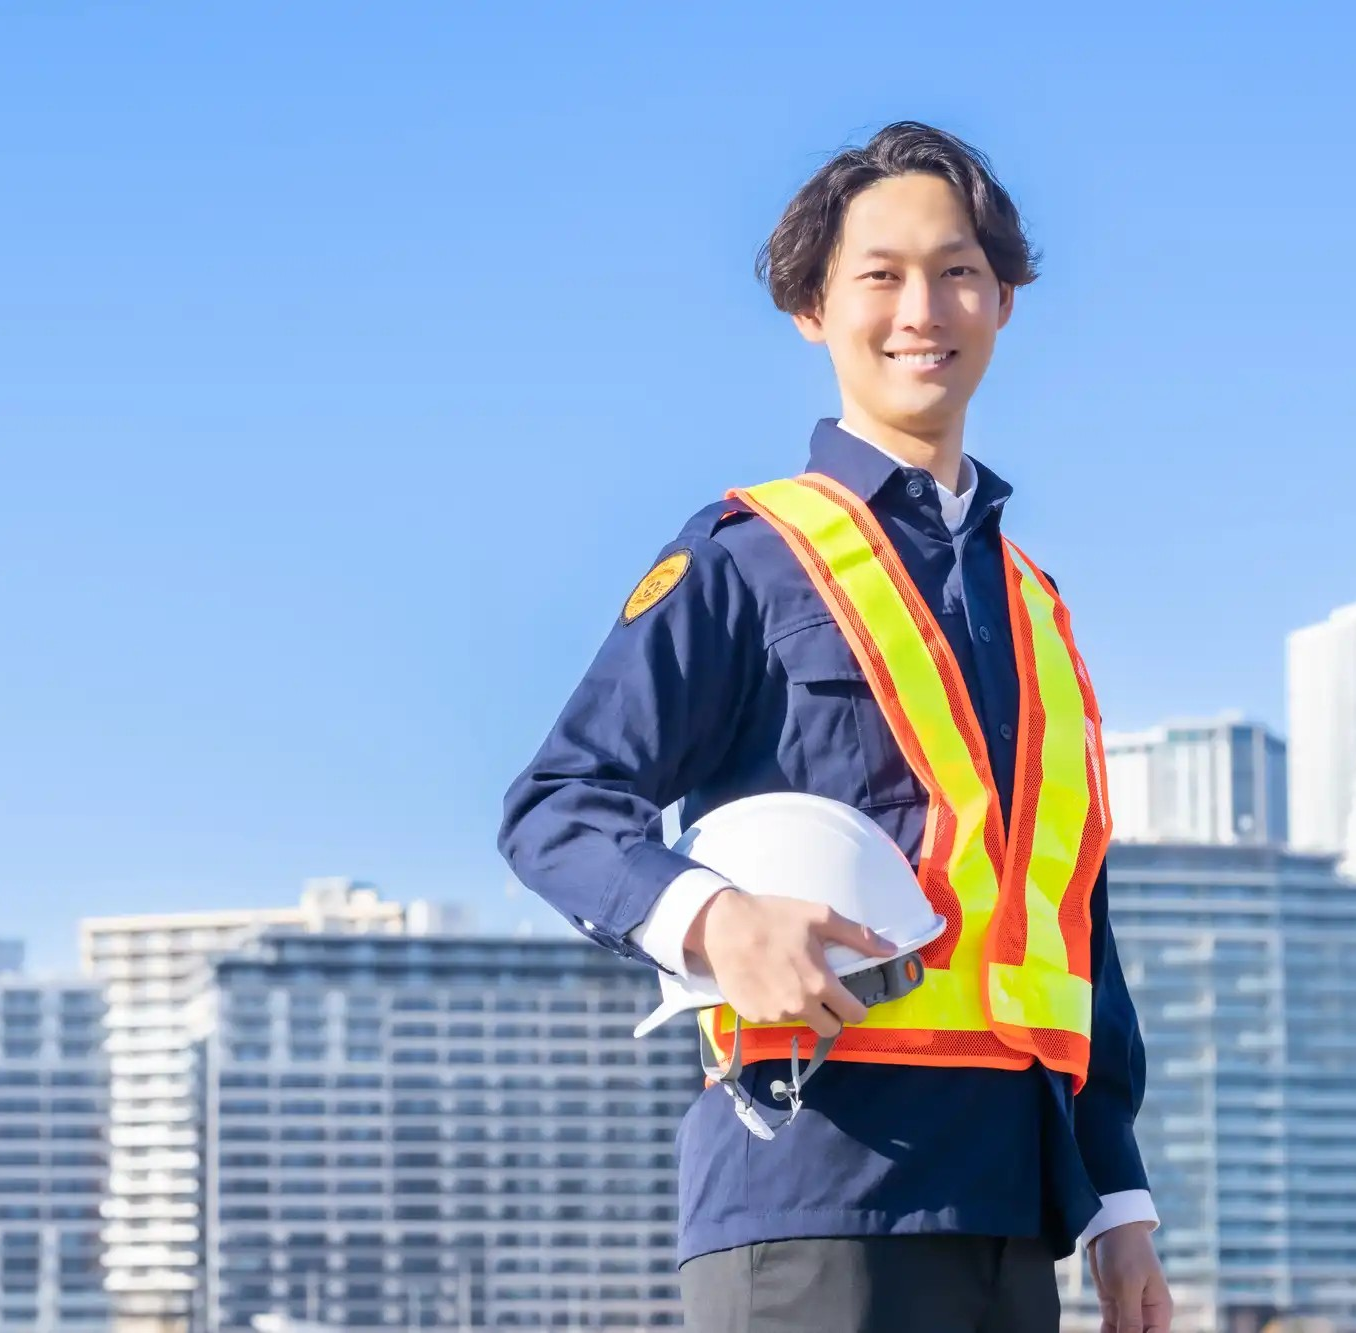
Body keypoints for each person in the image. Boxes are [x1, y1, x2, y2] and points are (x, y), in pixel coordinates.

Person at [496, 121, 1173, 1333]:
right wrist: (712, 919)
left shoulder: (1036, 607)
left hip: (1014, 1209)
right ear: (812, 309)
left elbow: (1075, 932)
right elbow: (559, 805)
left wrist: (1119, 1205)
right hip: (810, 1185)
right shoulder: (749, 559)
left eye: (958, 270)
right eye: (879, 275)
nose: (923, 307)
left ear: (1004, 302)